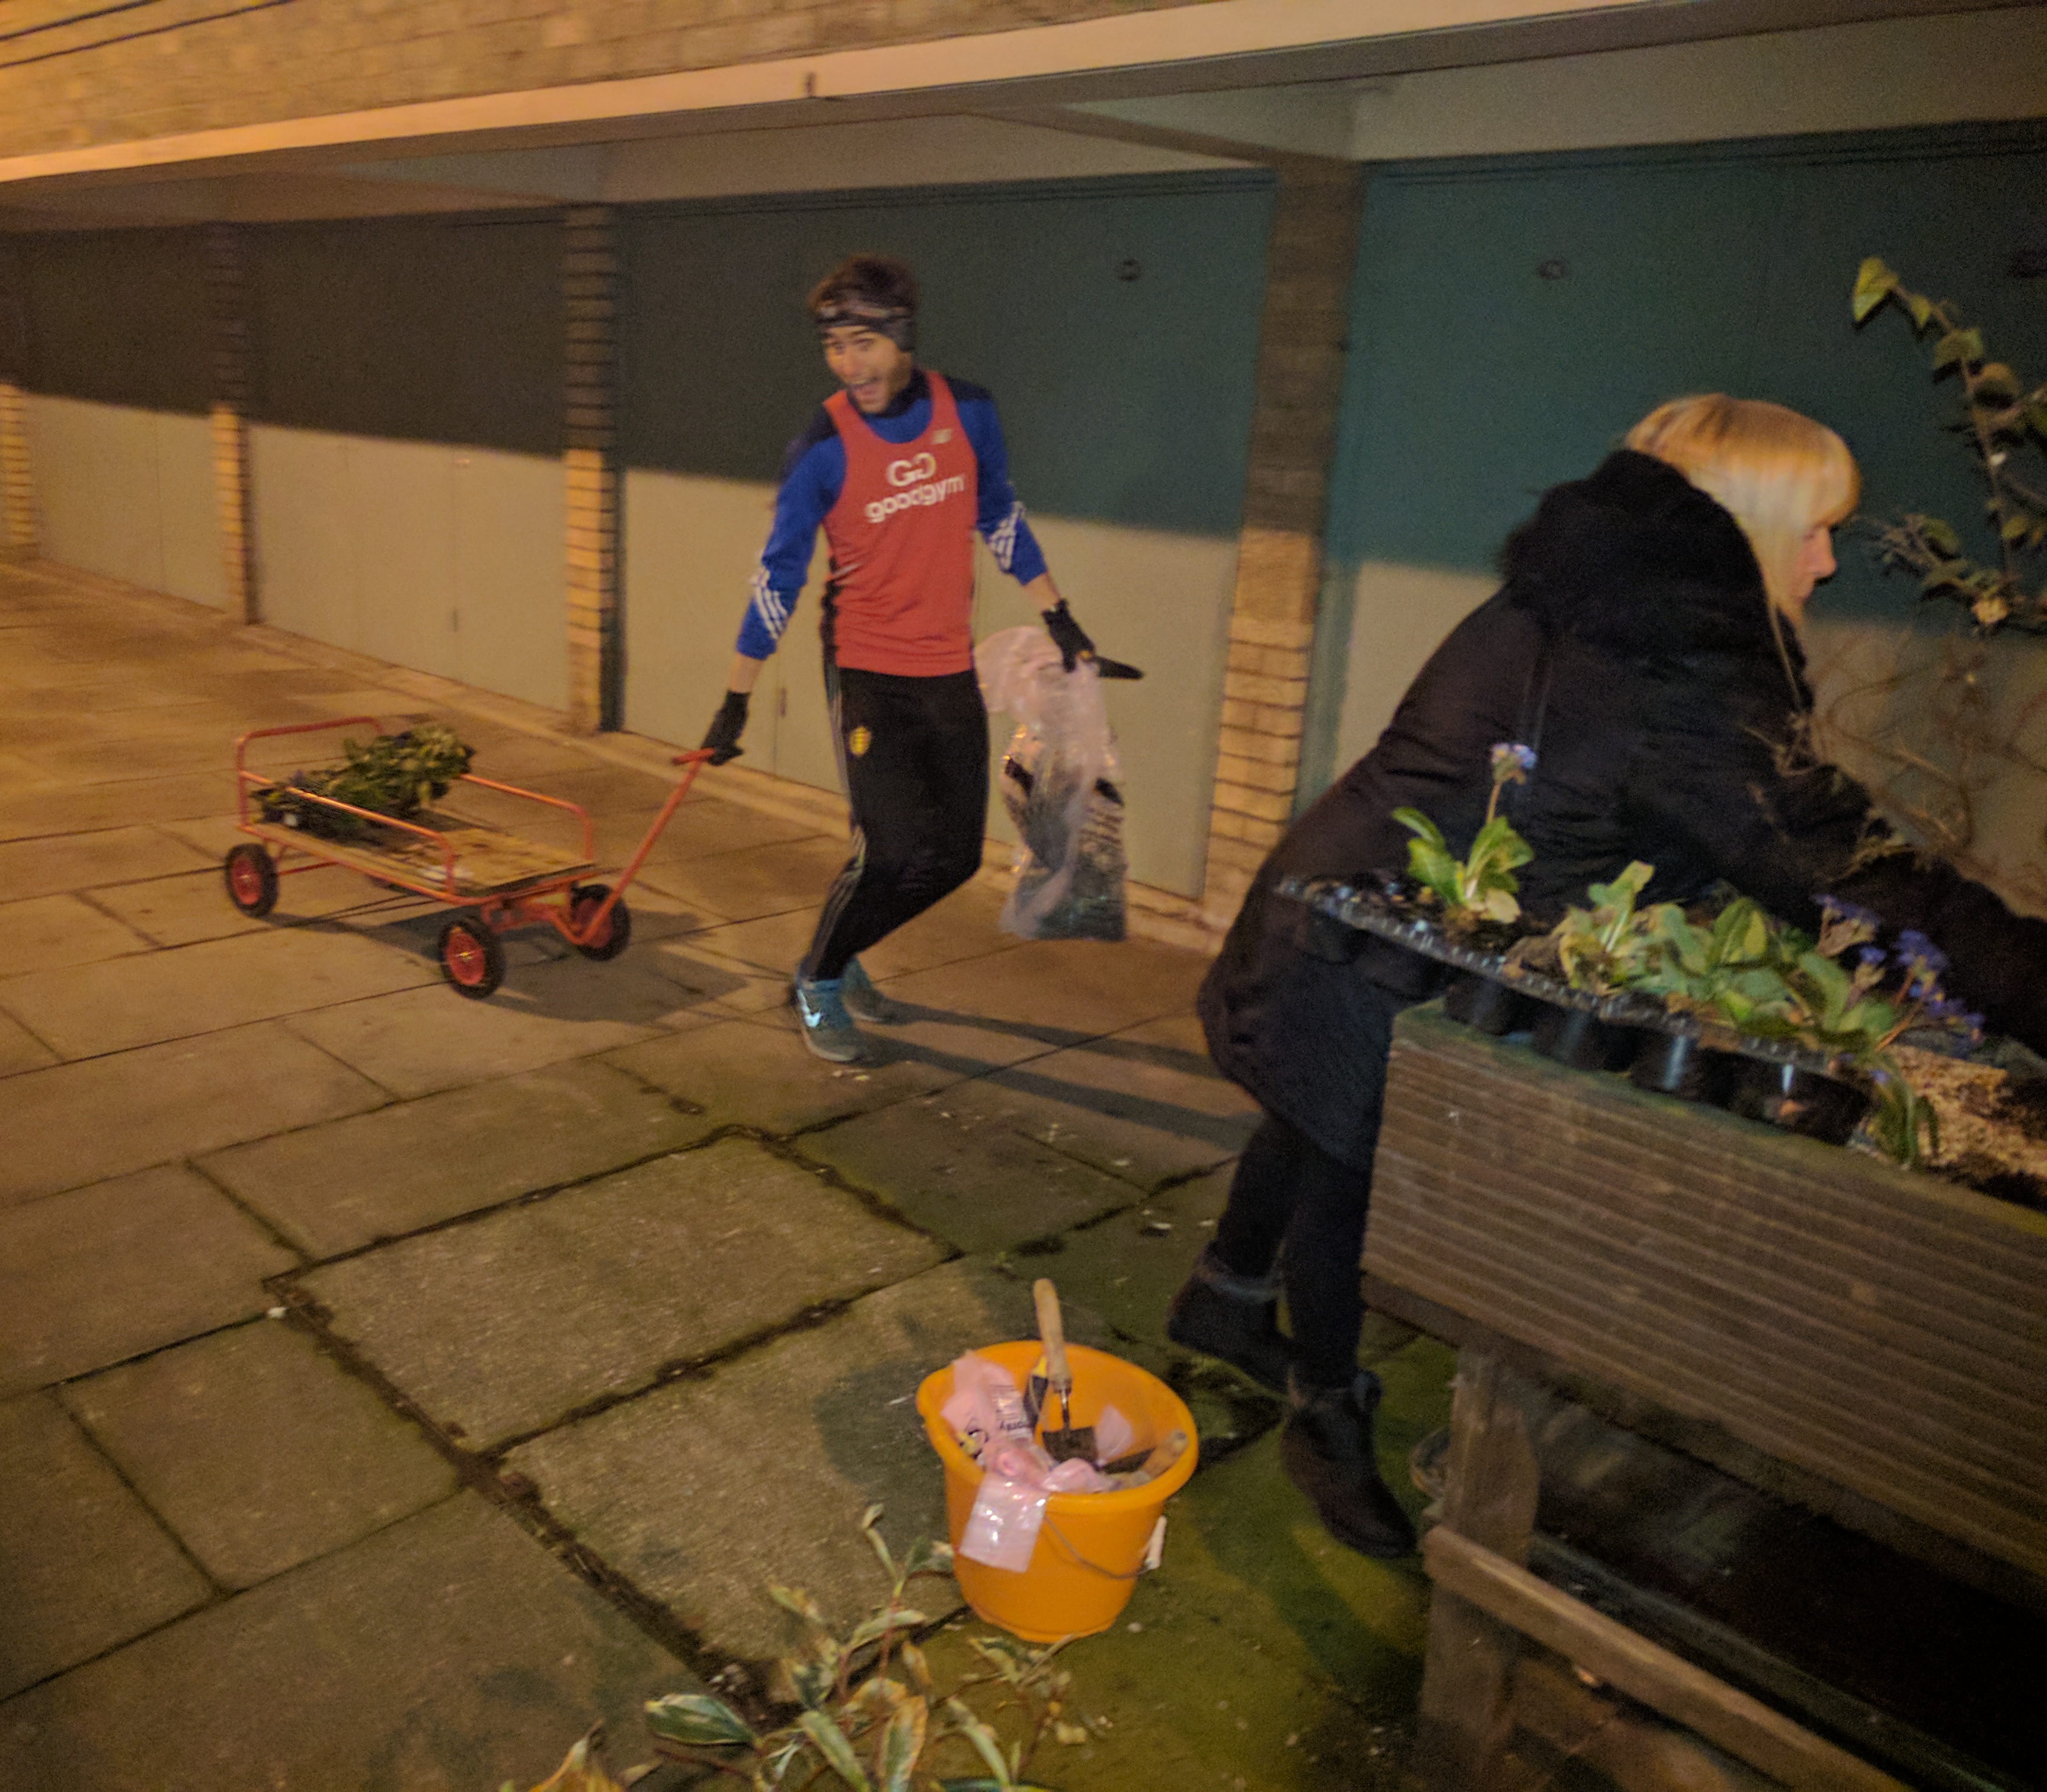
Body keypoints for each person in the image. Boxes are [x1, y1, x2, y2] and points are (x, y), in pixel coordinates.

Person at [1174, 395, 2047, 1559]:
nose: (1831, 560)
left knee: (1306, 1109)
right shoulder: (1668, 653)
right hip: (1383, 936)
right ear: (1744, 521)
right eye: (1817, 529)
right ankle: (1323, 1412)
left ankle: (1225, 1301)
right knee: (1351, 1164)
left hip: (1353, 890)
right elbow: (1835, 868)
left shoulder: (1593, 586)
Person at [698, 254, 1126, 1062]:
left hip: (945, 669)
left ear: (901, 336)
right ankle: (819, 981)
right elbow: (778, 578)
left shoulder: (966, 411)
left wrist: (1057, 613)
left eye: (863, 343)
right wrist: (737, 700)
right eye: (834, 347)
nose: (847, 364)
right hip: (867, 672)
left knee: (954, 858)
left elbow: (997, 511)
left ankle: (837, 951)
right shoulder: (822, 446)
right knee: (889, 849)